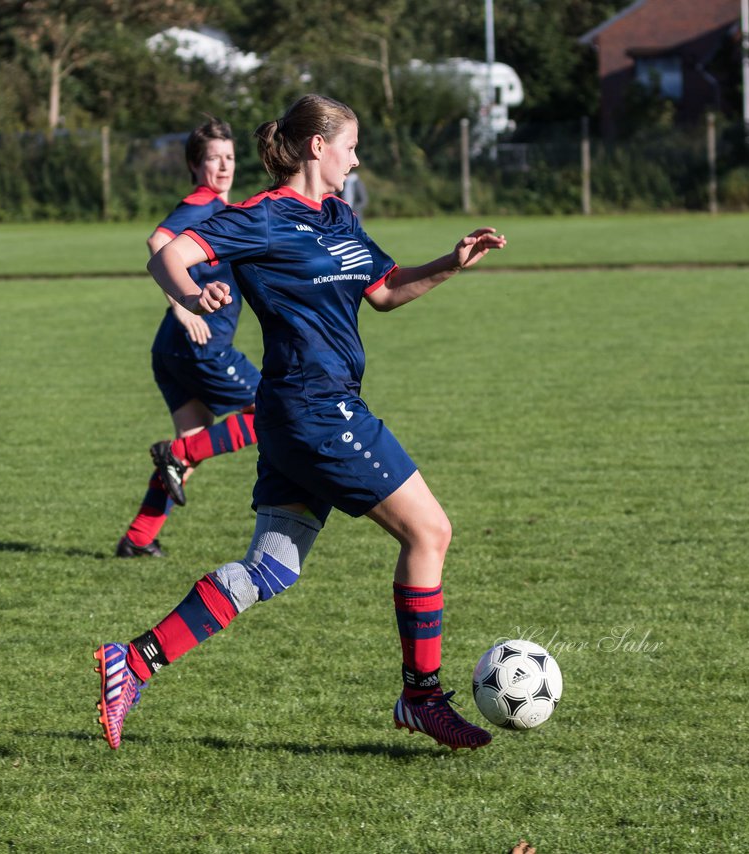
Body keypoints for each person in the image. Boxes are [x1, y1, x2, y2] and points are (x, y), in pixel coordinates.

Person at [94, 94, 507, 751]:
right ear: (319, 145)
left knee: (269, 570)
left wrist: (449, 264)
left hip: (305, 414)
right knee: (431, 532)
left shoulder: (340, 215)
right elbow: (166, 255)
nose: (357, 157)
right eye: (351, 145)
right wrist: (193, 293)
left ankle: (133, 662)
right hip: (318, 413)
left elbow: (385, 289)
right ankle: (421, 697)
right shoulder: (261, 217)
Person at [115, 118, 262, 559]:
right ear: (195, 165)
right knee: (272, 407)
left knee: (192, 441)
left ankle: (138, 538)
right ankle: (176, 455)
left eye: (230, 157)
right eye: (213, 158)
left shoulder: (222, 207)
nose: (223, 166)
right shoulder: (202, 204)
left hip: (172, 349)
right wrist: (182, 306)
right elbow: (157, 239)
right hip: (202, 345)